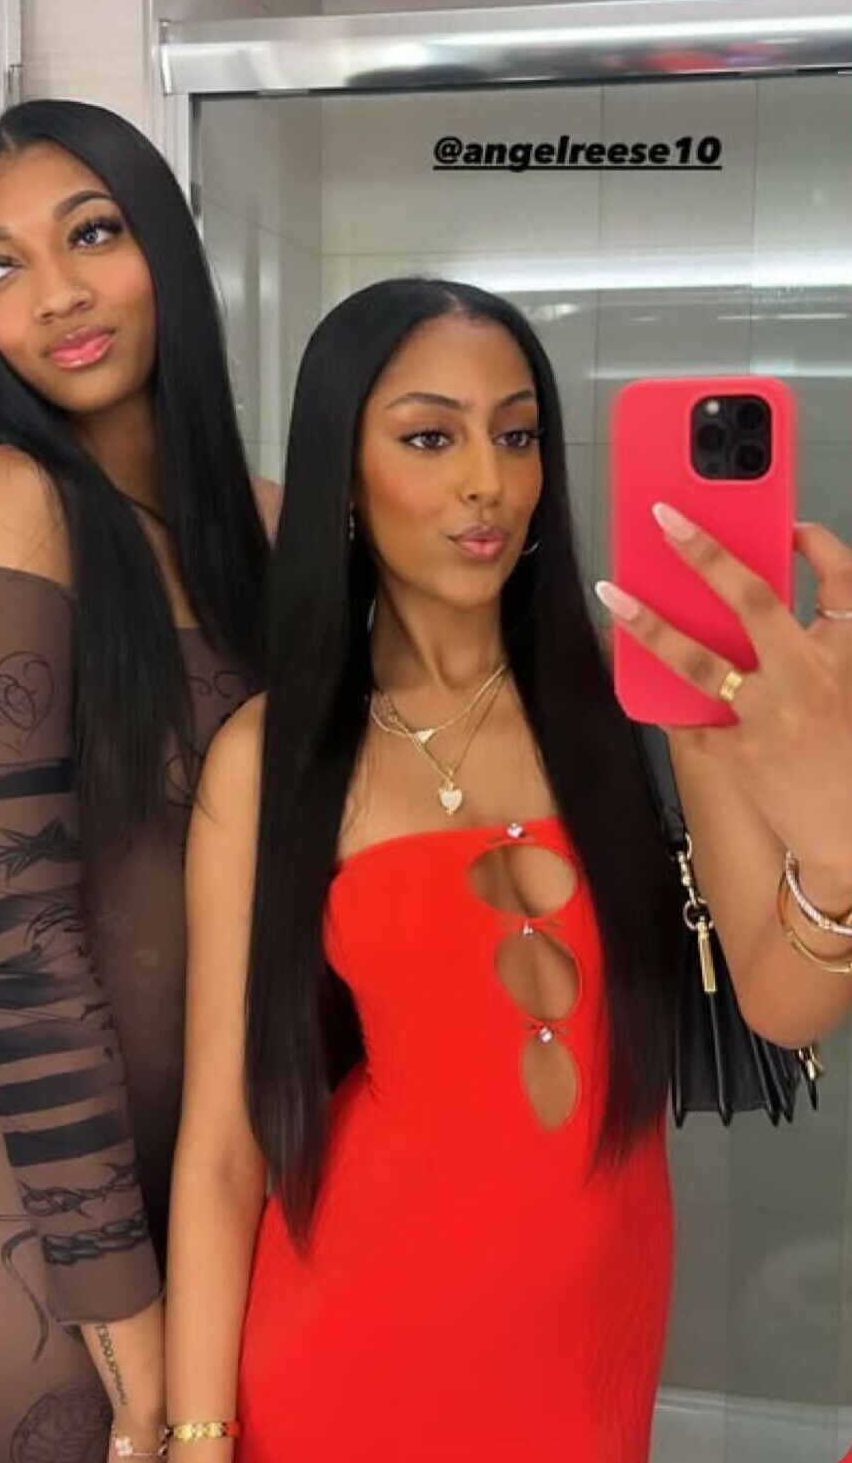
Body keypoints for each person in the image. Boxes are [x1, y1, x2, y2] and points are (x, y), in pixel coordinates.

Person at [164, 278, 852, 1463]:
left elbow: (783, 1006)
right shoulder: (271, 759)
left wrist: (837, 849)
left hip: (585, 1357)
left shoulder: (644, 701)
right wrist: (192, 1434)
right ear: (341, 477)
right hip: (345, 1351)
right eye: (431, 438)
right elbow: (224, 1145)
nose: (488, 479)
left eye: (518, 434)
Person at [0, 100, 280, 1463]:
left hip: (200, 1188)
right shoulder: (10, 503)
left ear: (167, 245)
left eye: (92, 233)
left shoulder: (272, 527)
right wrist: (125, 1317)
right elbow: (23, 953)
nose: (57, 294)